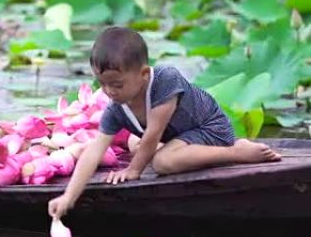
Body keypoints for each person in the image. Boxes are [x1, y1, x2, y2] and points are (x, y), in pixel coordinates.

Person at [48, 27, 281, 219]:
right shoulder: (116, 109)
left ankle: (236, 152)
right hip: (183, 137)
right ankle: (184, 150)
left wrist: (133, 170)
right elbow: (94, 151)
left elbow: (153, 133)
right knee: (134, 144)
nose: (110, 92)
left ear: (144, 74)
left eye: (117, 85)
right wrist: (69, 197)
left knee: (161, 162)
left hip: (210, 129)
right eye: (102, 84)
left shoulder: (165, 80)